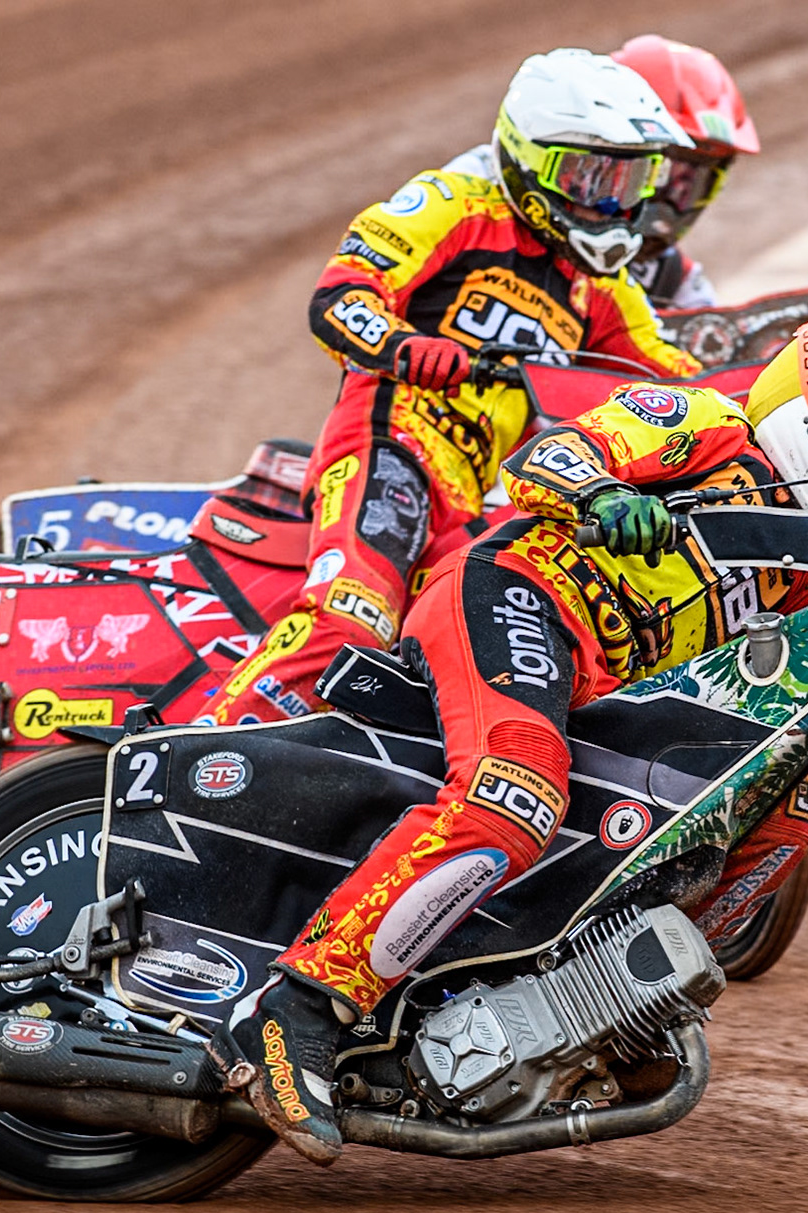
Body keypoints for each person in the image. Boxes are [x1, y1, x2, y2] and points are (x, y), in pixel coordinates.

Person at [214, 313, 808, 1164]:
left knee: (784, 816)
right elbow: (548, 459)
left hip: (617, 689)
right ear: (803, 413)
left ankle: (605, 1006)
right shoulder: (709, 423)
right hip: (521, 597)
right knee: (513, 794)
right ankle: (302, 1009)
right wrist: (604, 495)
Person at [199, 48, 701, 728]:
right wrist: (406, 348)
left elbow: (675, 381)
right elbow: (341, 293)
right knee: (351, 618)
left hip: (473, 495)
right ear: (529, 157)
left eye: (630, 178)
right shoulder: (454, 205)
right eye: (589, 175)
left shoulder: (601, 287)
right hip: (389, 448)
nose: (609, 202)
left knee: (498, 638)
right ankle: (190, 757)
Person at [449, 35, 808, 315]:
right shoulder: (478, 190)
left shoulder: (669, 276)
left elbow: (721, 349)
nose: (669, 198)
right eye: (660, 171)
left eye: (697, 181)